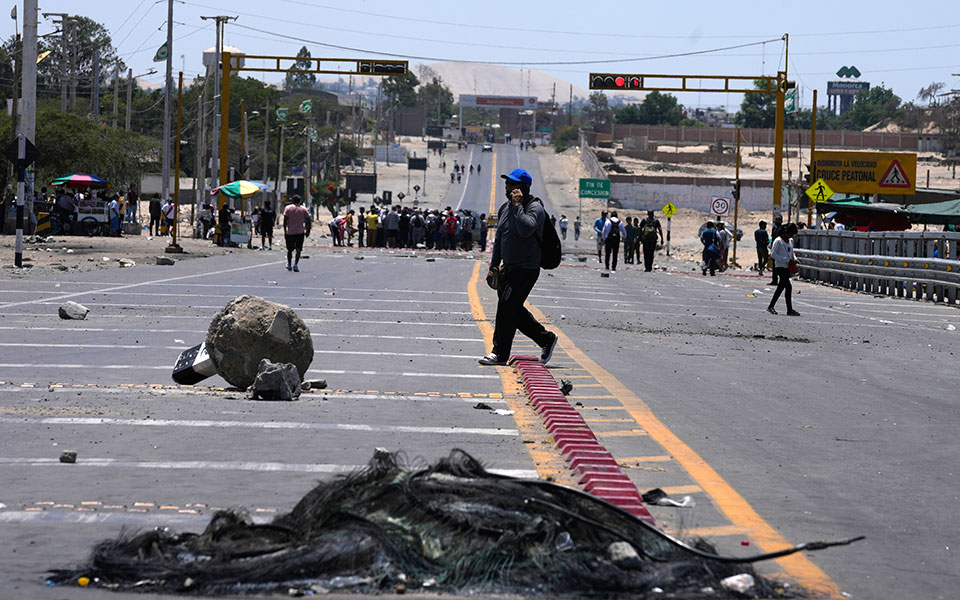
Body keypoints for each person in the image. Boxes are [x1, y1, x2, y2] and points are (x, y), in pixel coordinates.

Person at [480, 168, 557, 366]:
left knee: (506, 307)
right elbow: (500, 239)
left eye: (511, 184)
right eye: (507, 183)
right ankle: (545, 338)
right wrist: (493, 266)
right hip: (509, 268)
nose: (507, 187)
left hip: (526, 269)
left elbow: (525, 229)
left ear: (522, 188)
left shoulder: (534, 208)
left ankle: (499, 353)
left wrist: (517, 206)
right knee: (513, 309)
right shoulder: (505, 208)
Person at [767, 223, 800, 316]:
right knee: (788, 287)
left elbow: (791, 252)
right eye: (789, 234)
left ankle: (771, 306)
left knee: (781, 287)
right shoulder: (778, 241)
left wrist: (794, 258)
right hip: (780, 267)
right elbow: (773, 255)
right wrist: (786, 260)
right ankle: (789, 309)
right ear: (785, 232)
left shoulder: (790, 241)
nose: (790, 236)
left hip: (787, 267)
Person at [283, 195, 311, 271]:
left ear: (292, 200)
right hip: (300, 232)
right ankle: (295, 264)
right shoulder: (304, 209)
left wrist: (285, 231)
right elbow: (309, 220)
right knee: (298, 249)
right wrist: (308, 230)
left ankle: (289, 264)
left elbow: (285, 220)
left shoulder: (288, 208)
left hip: (290, 232)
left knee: (290, 249)